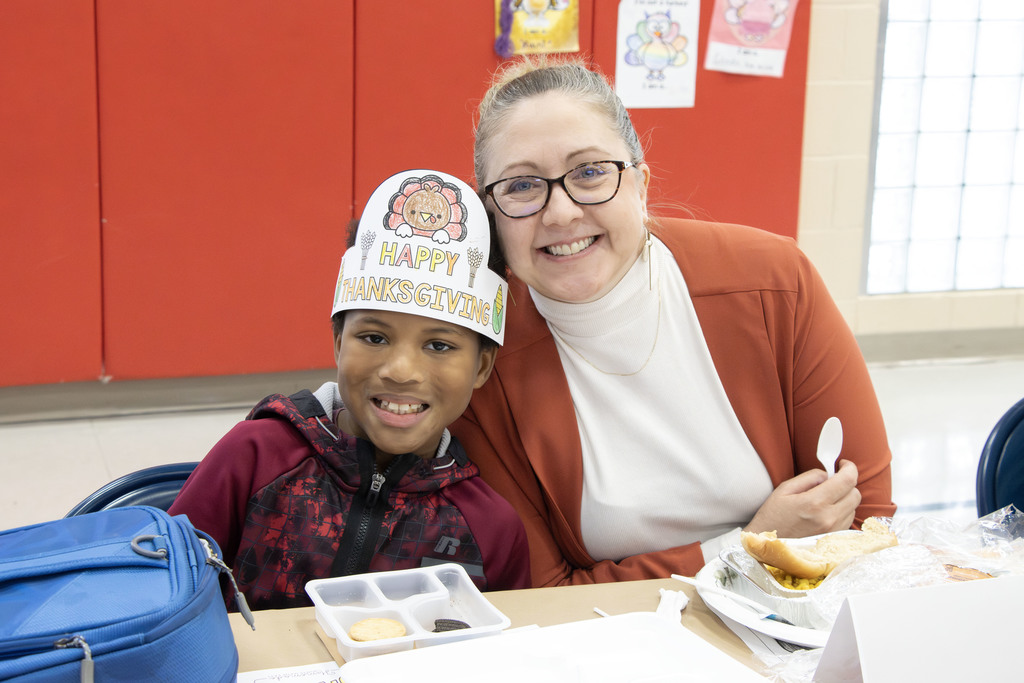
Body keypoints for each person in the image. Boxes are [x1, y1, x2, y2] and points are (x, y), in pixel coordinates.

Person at [450, 57, 896, 587]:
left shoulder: (773, 282)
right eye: (522, 186)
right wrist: (751, 547)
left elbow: (866, 520)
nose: (561, 212)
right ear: (491, 216)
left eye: (590, 172)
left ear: (639, 184)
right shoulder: (480, 365)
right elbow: (546, 594)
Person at [170, 169, 530, 610]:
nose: (401, 371)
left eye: (439, 345)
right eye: (374, 338)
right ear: (339, 342)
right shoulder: (255, 457)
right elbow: (162, 593)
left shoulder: (489, 527)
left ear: (482, 365)